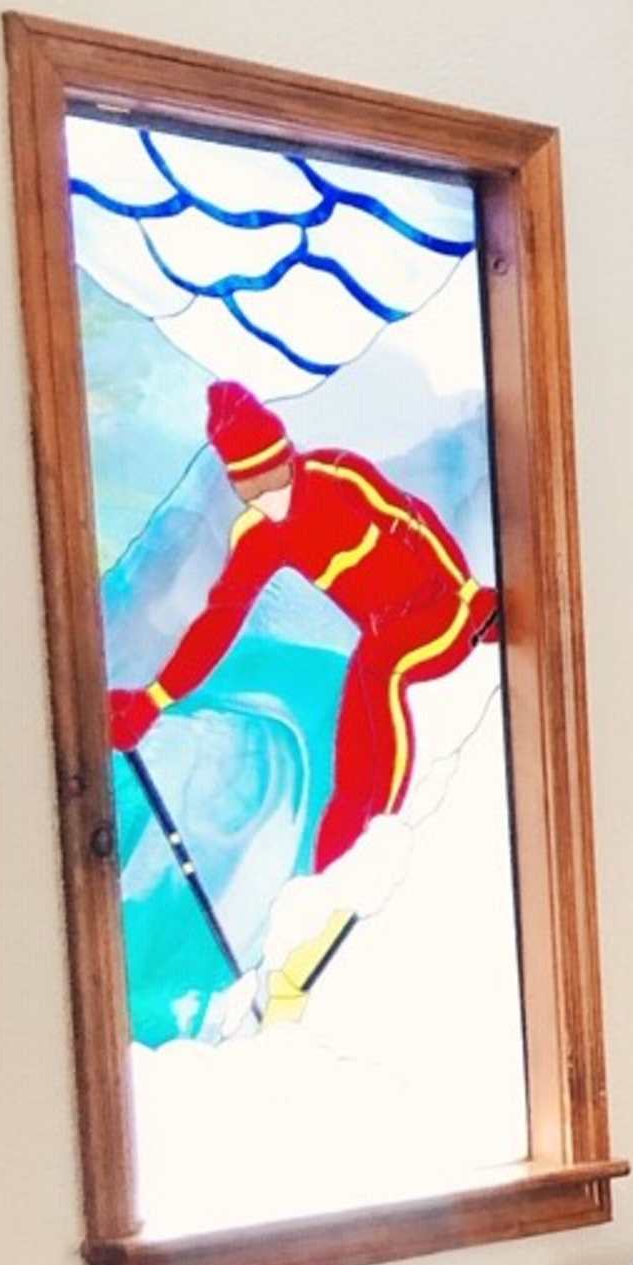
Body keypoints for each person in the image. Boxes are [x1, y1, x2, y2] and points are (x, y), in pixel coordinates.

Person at [108, 380, 501, 1030]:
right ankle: (334, 869)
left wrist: (466, 597)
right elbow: (218, 623)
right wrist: (153, 698)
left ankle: (386, 832)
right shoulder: (260, 537)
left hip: (444, 610)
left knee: (377, 672)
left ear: (288, 456)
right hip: (382, 631)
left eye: (273, 476)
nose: (270, 497)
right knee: (356, 729)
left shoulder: (341, 479)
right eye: (251, 487)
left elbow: (416, 523)